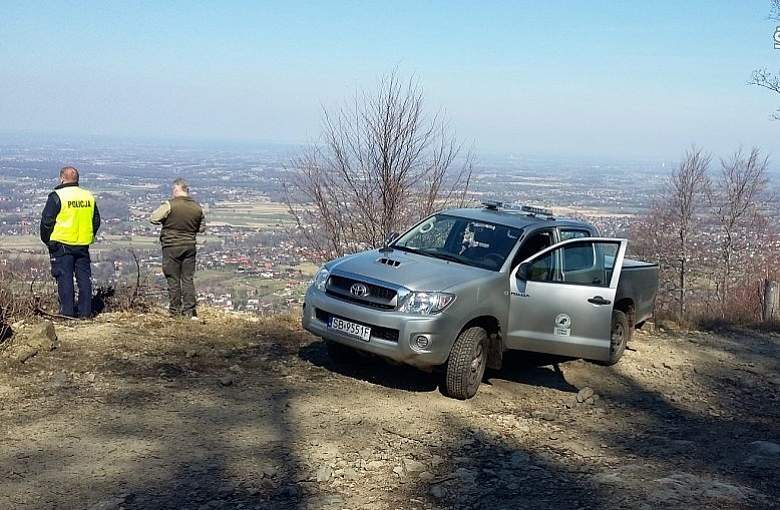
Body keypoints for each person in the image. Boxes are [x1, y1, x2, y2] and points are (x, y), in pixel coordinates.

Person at [40, 166, 101, 318]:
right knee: (84, 279)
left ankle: (67, 314)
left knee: (64, 278)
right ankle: (85, 313)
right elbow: (96, 221)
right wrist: (88, 235)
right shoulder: (88, 196)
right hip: (82, 244)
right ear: (77, 179)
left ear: (61, 178)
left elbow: (47, 221)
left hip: (61, 244)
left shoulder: (57, 196)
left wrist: (47, 240)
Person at [150, 178, 204, 319]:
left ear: (176, 189)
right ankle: (190, 312)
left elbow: (154, 218)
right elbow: (202, 228)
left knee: (173, 278)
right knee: (187, 279)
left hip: (171, 246)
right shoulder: (197, 207)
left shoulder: (170, 205)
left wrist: (168, 221)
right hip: (189, 246)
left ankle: (175, 312)